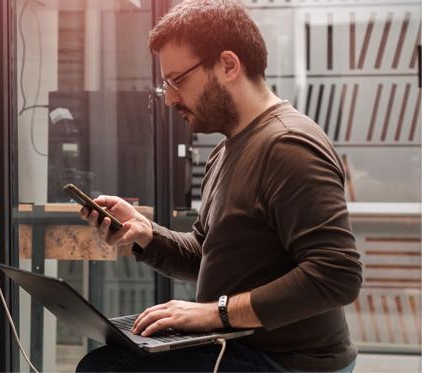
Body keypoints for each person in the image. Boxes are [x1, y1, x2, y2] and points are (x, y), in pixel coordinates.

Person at [75, 0, 363, 372]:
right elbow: (205, 255)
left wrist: (216, 314)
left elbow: (337, 275)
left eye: (177, 81)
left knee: (107, 368)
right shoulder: (226, 150)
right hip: (241, 348)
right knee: (108, 358)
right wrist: (144, 234)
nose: (170, 99)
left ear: (228, 65)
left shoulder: (288, 145)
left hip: (289, 363)